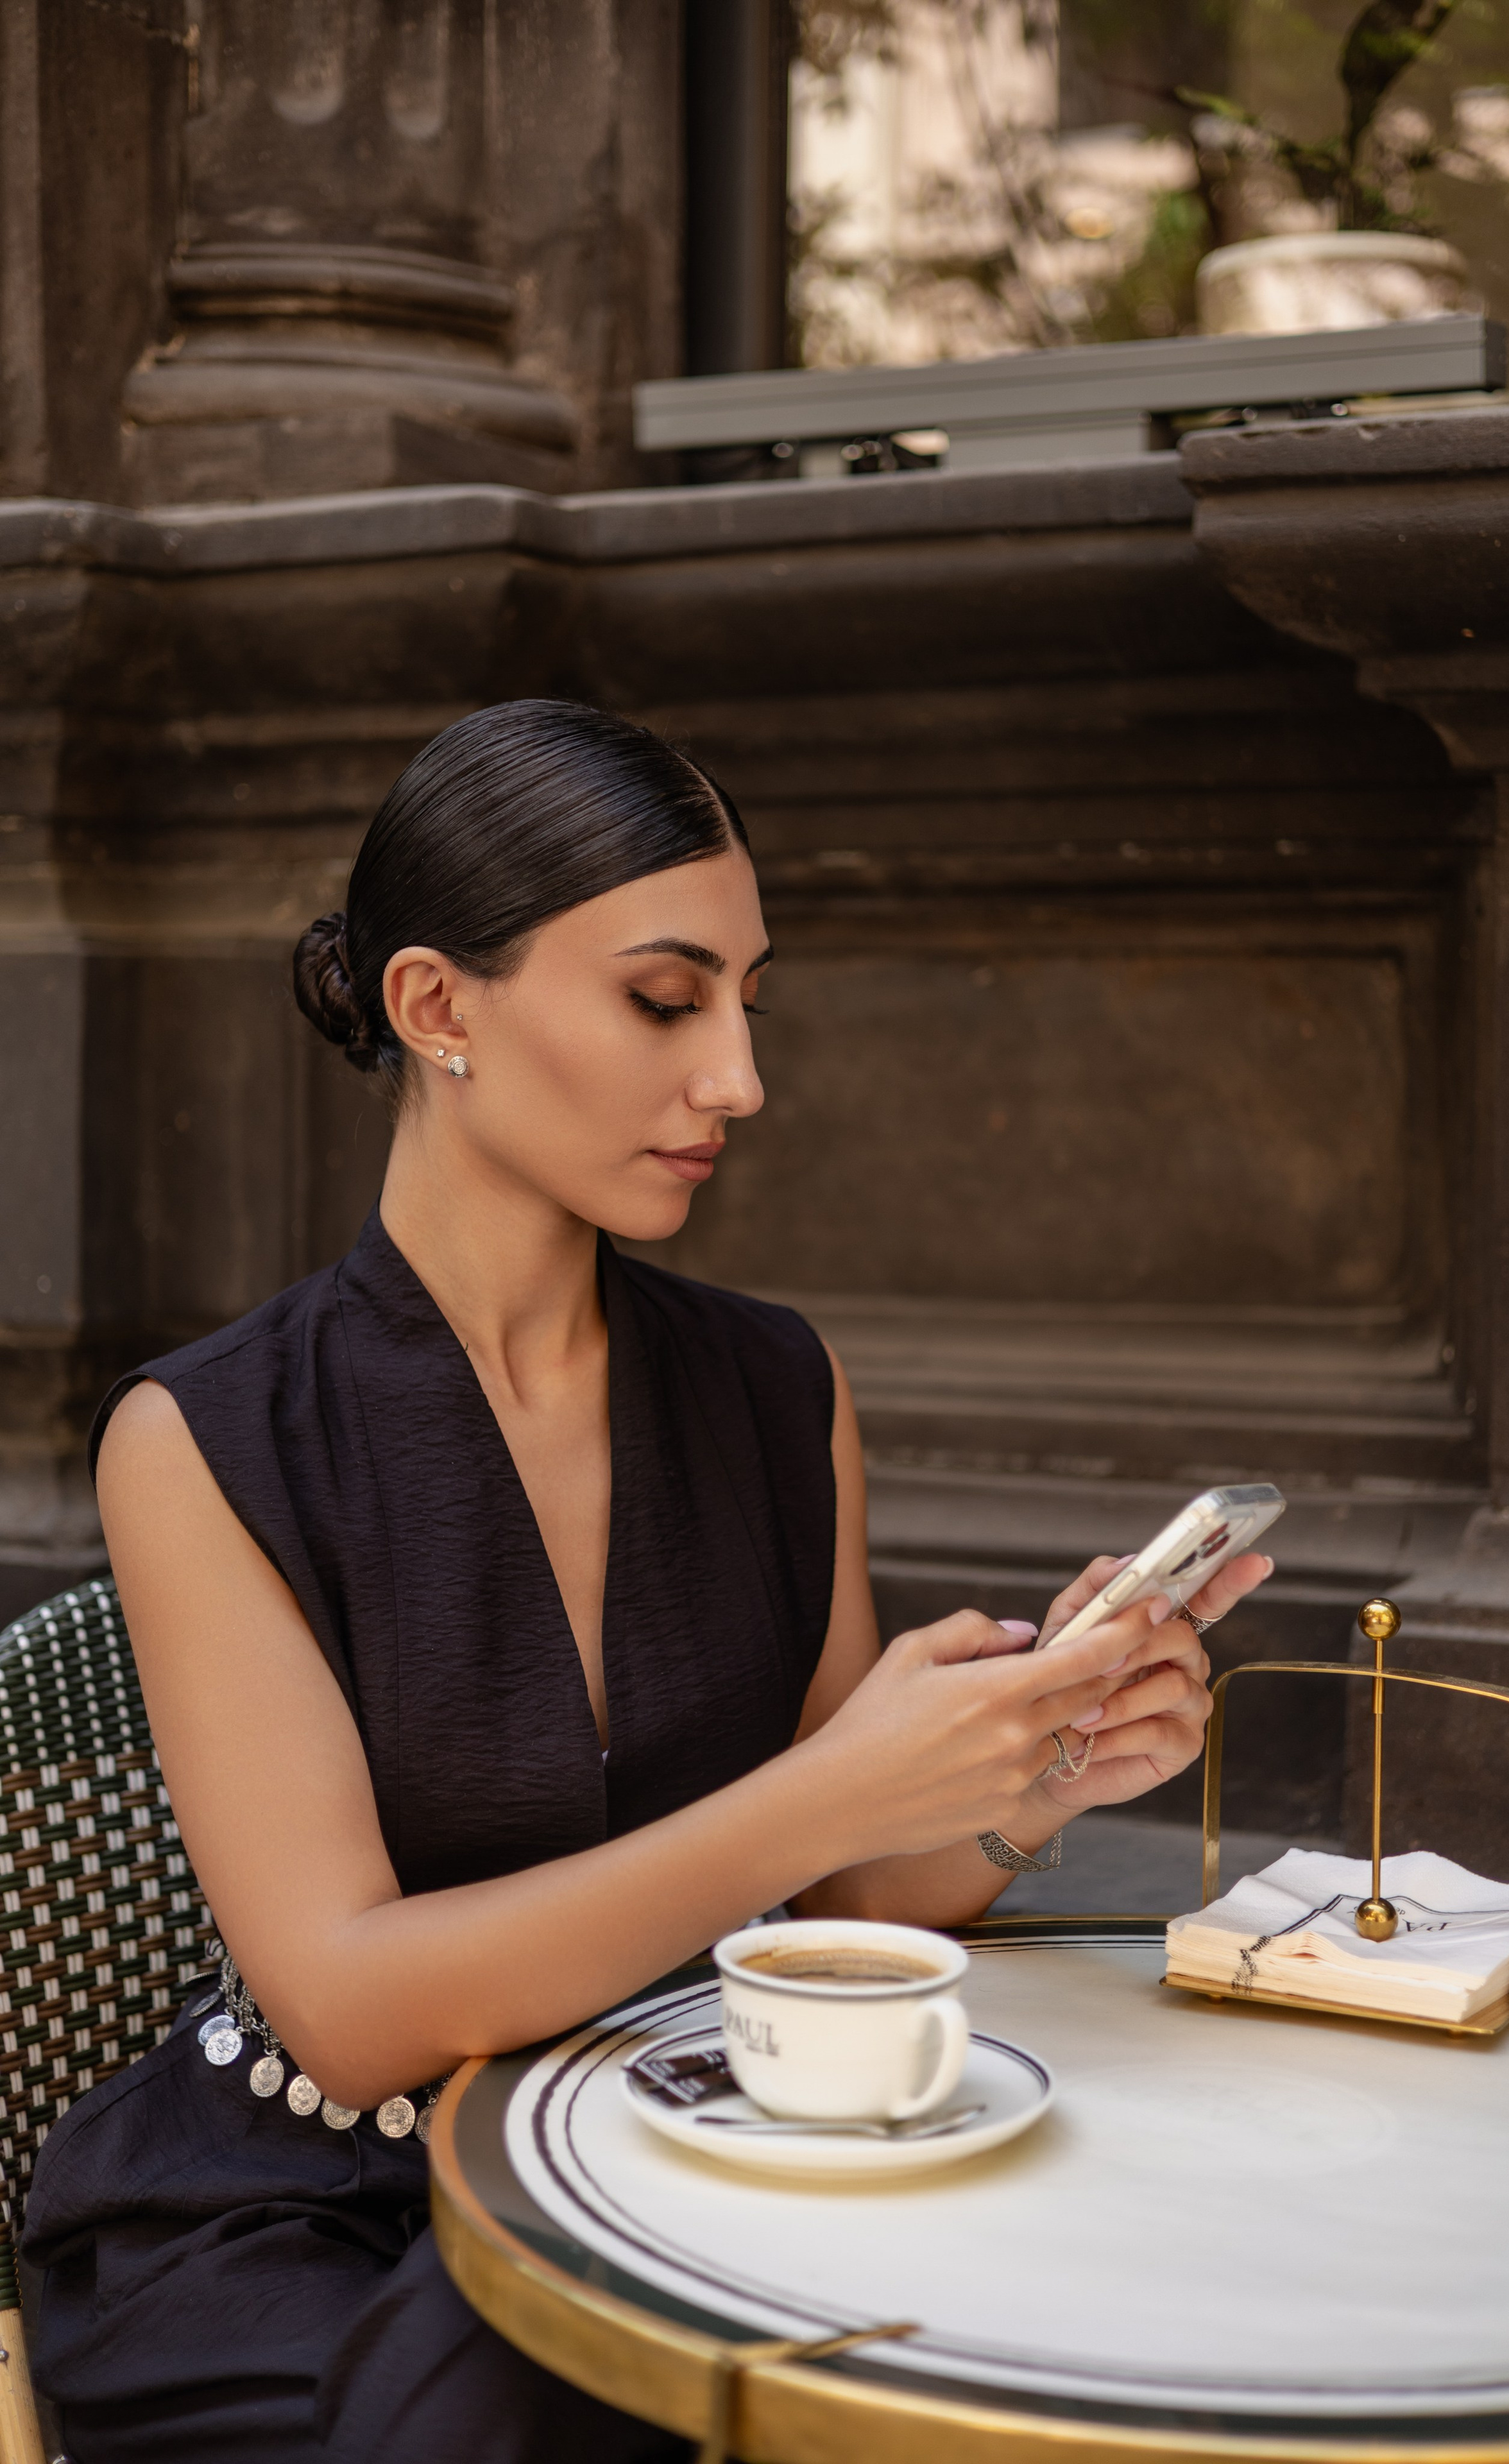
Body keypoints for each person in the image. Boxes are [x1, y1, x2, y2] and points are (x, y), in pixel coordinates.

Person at [22, 701, 1270, 2462]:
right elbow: (353, 2008)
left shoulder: (777, 1386)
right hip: (298, 2211)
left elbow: (845, 1891)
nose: (739, 1081)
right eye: (667, 1000)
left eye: (750, 1002)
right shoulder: (209, 1436)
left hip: (689, 2153)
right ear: (437, 1009)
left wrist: (1029, 1775)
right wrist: (825, 1789)